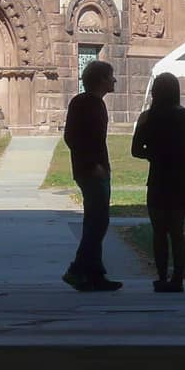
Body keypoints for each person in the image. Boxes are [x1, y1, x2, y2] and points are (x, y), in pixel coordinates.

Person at [131, 71, 185, 293]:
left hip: (158, 177)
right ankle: (178, 279)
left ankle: (161, 277)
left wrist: (153, 154)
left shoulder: (147, 117)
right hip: (181, 177)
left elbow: (136, 150)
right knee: (177, 231)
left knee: (159, 232)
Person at [62, 59, 122, 292]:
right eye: (111, 76)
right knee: (98, 222)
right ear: (101, 80)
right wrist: (93, 164)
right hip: (92, 171)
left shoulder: (89, 103)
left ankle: (95, 274)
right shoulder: (88, 104)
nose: (114, 80)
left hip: (93, 169)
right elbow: (73, 138)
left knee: (96, 221)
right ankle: (77, 270)